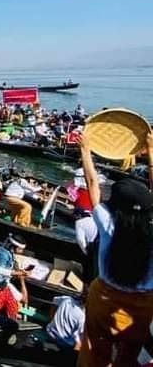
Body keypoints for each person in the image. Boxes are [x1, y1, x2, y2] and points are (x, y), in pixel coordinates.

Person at [77, 132, 153, 366]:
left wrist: (85, 150)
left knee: (94, 352)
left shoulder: (107, 222)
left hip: (104, 298)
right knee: (129, 355)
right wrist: (151, 152)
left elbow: (92, 184)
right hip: (143, 305)